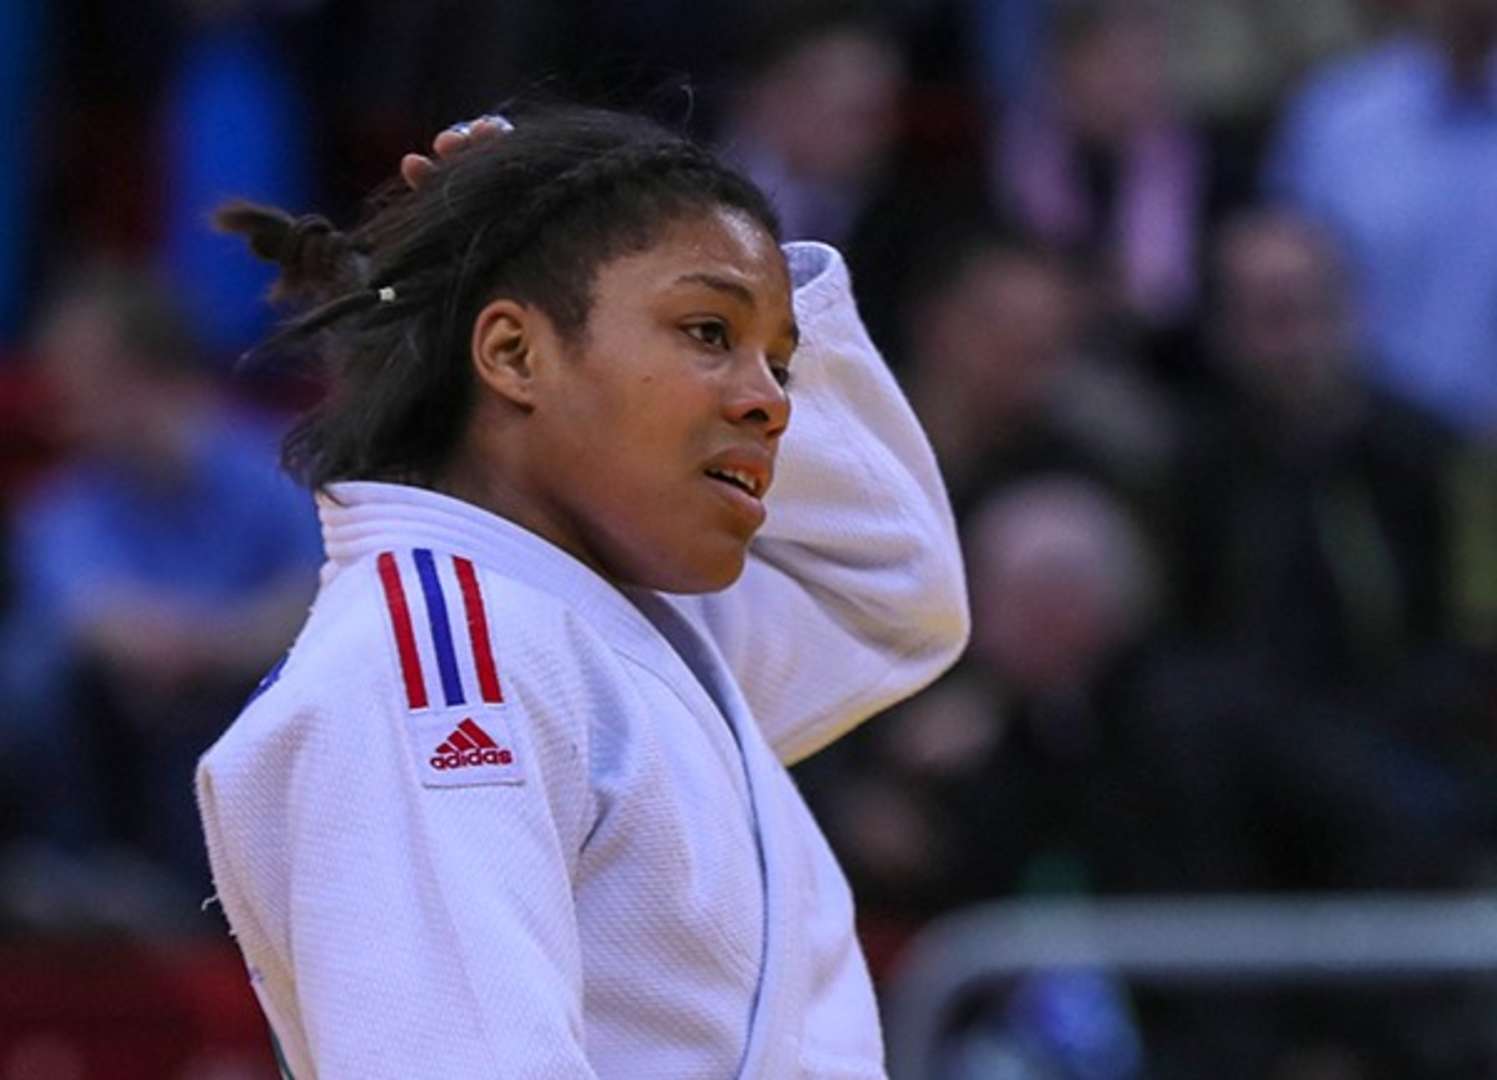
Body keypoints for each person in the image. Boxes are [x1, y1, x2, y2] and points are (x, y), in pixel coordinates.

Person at [196, 106, 968, 1077]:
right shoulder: (437, 664)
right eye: (708, 331)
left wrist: (610, 227)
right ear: (515, 355)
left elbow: (891, 591)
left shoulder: (597, 622)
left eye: (780, 361)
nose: (776, 402)